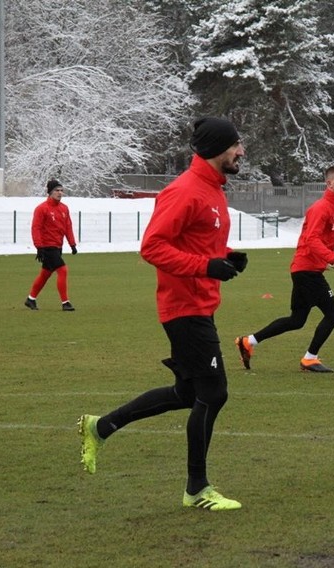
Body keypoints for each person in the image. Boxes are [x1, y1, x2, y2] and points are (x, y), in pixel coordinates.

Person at [77, 117, 248, 511]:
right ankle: (197, 488)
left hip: (200, 304)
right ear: (217, 148)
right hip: (184, 308)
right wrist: (206, 267)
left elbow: (195, 244)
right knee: (214, 393)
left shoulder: (212, 189)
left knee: (188, 394)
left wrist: (223, 259)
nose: (241, 152)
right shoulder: (184, 191)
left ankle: (100, 427)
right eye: (236, 145)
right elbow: (152, 247)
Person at [235, 165, 334, 374]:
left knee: (296, 320)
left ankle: (248, 341)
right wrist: (332, 257)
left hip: (307, 270)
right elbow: (311, 239)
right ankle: (309, 359)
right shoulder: (320, 208)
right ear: (329, 184)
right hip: (307, 271)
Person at [24, 179, 77, 311]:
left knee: (45, 274)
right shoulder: (41, 209)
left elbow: (68, 227)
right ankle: (65, 302)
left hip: (58, 247)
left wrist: (72, 244)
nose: (60, 193)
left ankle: (30, 299)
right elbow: (35, 228)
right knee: (63, 270)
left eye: (61, 190)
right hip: (47, 247)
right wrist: (39, 247)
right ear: (50, 192)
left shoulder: (64, 208)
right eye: (56, 190)